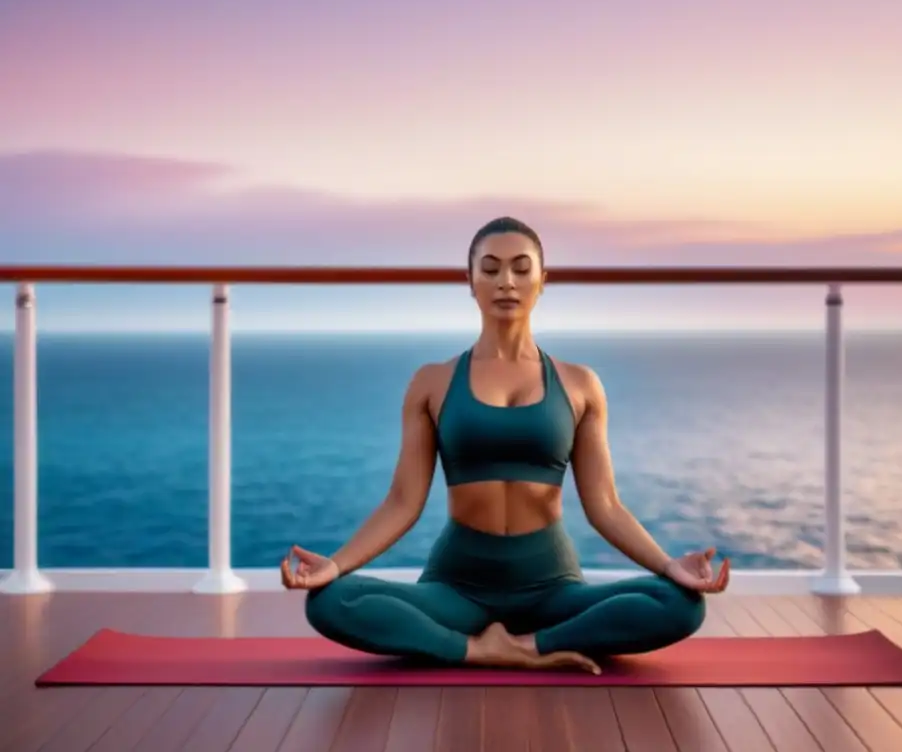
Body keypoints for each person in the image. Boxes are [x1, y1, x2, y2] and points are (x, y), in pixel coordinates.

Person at [280, 216, 730, 674]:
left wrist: (667, 564)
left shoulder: (579, 384)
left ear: (542, 281)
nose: (506, 282)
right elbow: (402, 502)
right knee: (331, 601)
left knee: (680, 604)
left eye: (521, 268)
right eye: (490, 269)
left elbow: (606, 506)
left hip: (551, 586)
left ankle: (532, 645)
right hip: (458, 587)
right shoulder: (432, 382)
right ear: (470, 281)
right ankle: (481, 649)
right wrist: (335, 565)